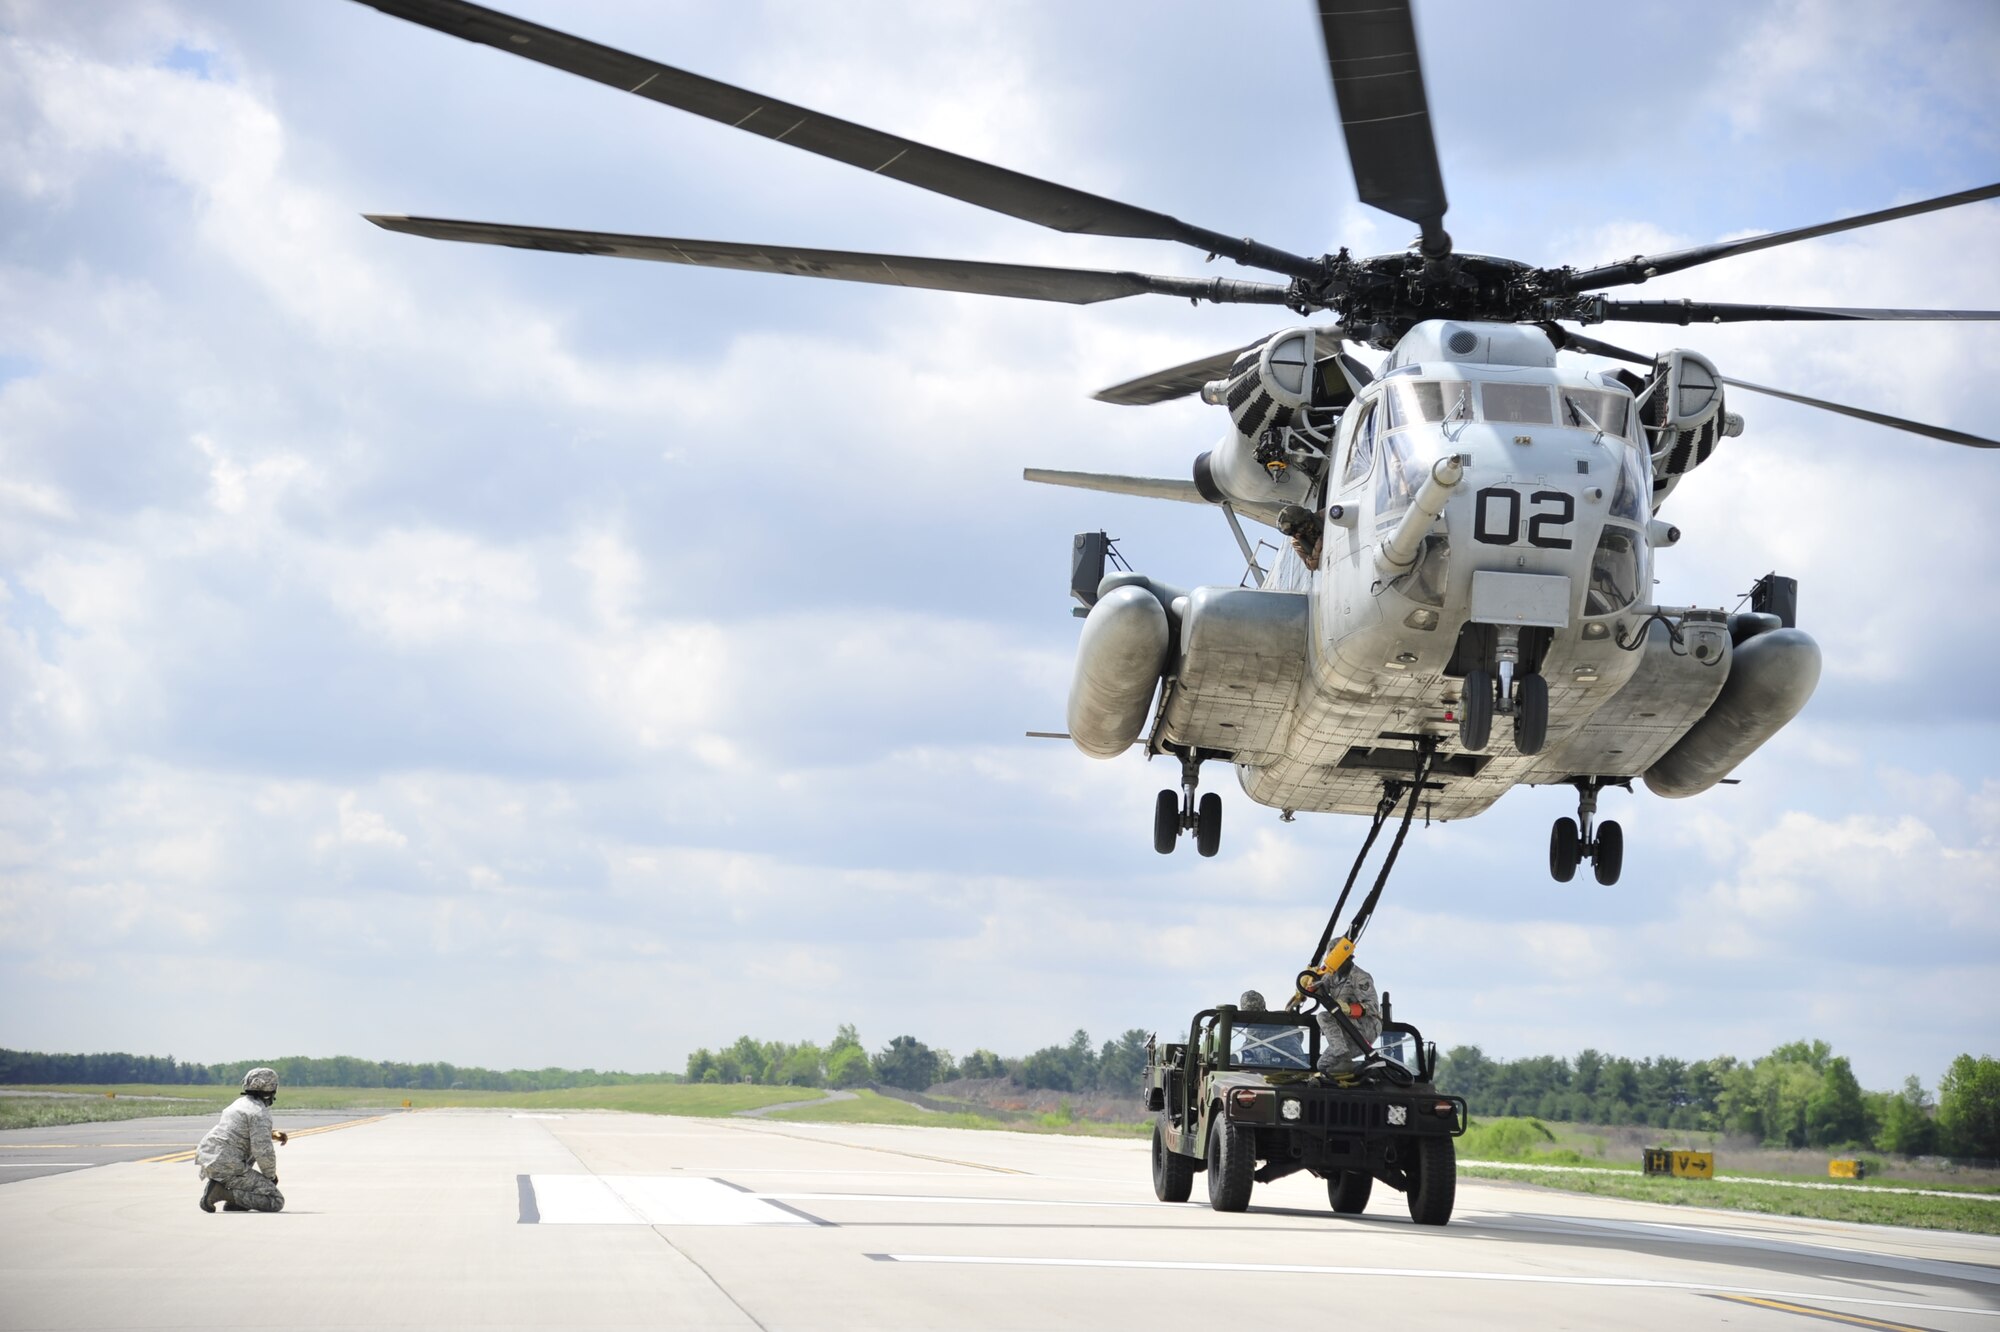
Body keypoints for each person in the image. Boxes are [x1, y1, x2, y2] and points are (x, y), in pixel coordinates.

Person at [196, 1068, 286, 1213]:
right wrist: (271, 1177)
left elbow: (242, 1131)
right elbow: (263, 1152)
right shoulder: (259, 1113)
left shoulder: (238, 1104)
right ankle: (221, 1193)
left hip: (211, 1158)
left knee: (254, 1178)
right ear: (270, 1088)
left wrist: (271, 1134)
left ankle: (234, 1202)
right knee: (275, 1200)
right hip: (228, 1164)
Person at [1313, 957, 1382, 1076]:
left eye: (1340, 961)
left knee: (1324, 1017)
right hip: (1346, 1030)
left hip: (1366, 1027)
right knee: (1323, 1065)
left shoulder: (1360, 977)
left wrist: (1350, 1009)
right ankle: (1368, 1070)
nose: (1337, 965)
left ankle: (1344, 1059)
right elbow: (1319, 991)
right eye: (1334, 962)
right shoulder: (1332, 975)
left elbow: (1373, 1007)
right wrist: (1310, 981)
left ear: (1348, 959)